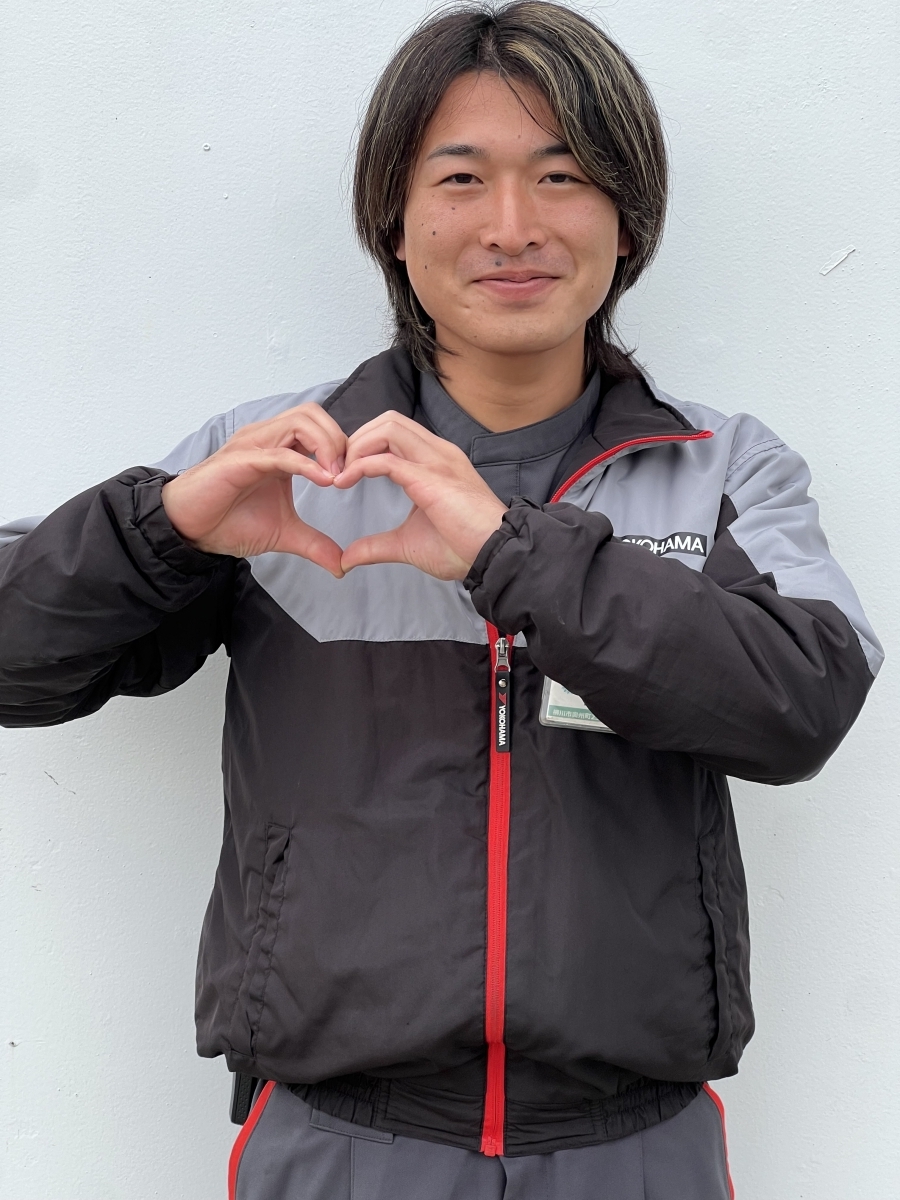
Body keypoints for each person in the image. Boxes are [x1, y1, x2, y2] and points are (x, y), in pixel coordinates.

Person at [0, 3, 882, 1197]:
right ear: (394, 221)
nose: (513, 225)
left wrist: (512, 554)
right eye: (461, 178)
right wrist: (162, 527)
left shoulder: (724, 467)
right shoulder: (274, 466)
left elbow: (803, 704)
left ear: (628, 219)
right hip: (340, 1142)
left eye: (563, 176)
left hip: (637, 1147)